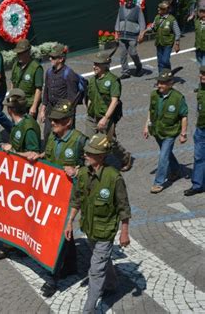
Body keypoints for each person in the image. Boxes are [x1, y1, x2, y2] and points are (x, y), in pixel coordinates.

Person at [64, 133, 131, 314]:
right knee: (101, 261)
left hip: (105, 231)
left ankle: (89, 309)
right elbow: (76, 200)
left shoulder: (113, 178)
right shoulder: (84, 174)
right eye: (86, 152)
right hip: (89, 228)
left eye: (90, 153)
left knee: (95, 270)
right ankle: (112, 283)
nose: (85, 155)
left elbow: (124, 208)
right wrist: (69, 221)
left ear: (101, 156)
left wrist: (124, 232)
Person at [27, 100, 87, 296]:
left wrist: (77, 170)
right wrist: (39, 155)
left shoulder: (80, 140)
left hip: (70, 196)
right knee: (62, 233)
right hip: (51, 195)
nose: (53, 123)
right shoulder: (52, 137)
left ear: (68, 121)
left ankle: (52, 278)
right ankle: (71, 265)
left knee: (57, 233)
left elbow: (96, 164)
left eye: (57, 120)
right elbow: (50, 157)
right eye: (52, 120)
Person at [0, 89, 41, 260]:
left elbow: (33, 155)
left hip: (23, 178)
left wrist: (11, 150)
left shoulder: (28, 127)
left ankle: (14, 244)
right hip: (15, 175)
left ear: (10, 110)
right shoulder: (22, 124)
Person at [86, 50, 132, 172]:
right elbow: (90, 98)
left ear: (105, 66)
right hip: (92, 116)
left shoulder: (113, 80)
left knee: (110, 142)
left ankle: (124, 157)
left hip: (105, 117)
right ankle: (98, 162)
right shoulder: (92, 80)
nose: (94, 66)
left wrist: (105, 118)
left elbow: (114, 101)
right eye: (94, 63)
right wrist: (89, 110)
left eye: (98, 64)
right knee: (90, 141)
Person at [143, 68, 188, 194]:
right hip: (157, 130)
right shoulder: (154, 95)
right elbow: (150, 111)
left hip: (170, 132)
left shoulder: (178, 98)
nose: (159, 85)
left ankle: (158, 182)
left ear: (170, 83)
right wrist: (146, 125)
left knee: (163, 156)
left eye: (162, 83)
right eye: (158, 82)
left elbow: (184, 116)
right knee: (167, 153)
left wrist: (183, 134)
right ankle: (176, 170)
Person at [40, 43, 80, 139]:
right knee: (47, 135)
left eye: (53, 58)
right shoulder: (49, 72)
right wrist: (43, 109)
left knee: (65, 137)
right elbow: (46, 91)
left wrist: (65, 116)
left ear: (61, 59)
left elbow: (72, 99)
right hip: (50, 108)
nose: (50, 59)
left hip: (63, 111)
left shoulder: (69, 74)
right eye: (50, 57)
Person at [143, 0, 181, 73]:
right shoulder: (157, 17)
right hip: (159, 43)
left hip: (167, 43)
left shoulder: (171, 19)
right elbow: (153, 27)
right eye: (158, 8)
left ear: (166, 10)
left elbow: (177, 32)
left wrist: (177, 44)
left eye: (160, 8)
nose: (158, 9)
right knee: (160, 61)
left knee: (165, 60)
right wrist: (144, 31)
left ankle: (168, 73)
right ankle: (161, 76)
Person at [184, 66, 205, 196]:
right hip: (201, 128)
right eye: (202, 73)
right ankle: (197, 185)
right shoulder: (201, 88)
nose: (202, 76)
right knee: (198, 157)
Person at [10, 39, 43, 119]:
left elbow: (38, 89)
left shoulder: (36, 67)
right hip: (17, 103)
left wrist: (34, 106)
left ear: (28, 52)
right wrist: (11, 97)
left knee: (28, 127)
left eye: (21, 53)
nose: (19, 55)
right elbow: (12, 82)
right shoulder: (16, 65)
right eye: (18, 53)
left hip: (28, 104)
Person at [115, 0, 146, 79]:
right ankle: (125, 72)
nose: (129, 2)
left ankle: (138, 66)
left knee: (133, 53)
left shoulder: (137, 9)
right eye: (127, 1)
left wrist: (141, 34)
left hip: (133, 36)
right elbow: (118, 20)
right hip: (122, 35)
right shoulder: (121, 8)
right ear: (125, 1)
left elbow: (142, 22)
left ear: (132, 1)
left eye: (130, 1)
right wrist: (116, 33)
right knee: (123, 54)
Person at [194, 1, 205, 66]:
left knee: (204, 65)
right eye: (201, 12)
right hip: (198, 47)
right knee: (199, 64)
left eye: (204, 12)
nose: (203, 14)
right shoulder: (197, 22)